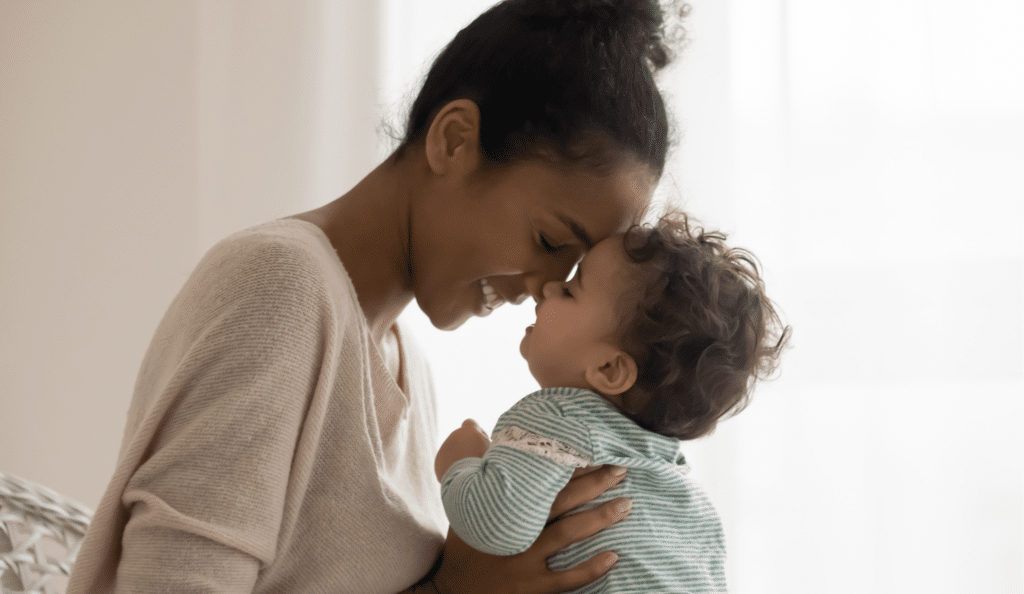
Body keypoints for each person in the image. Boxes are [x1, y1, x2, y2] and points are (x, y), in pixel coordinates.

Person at [67, 0, 689, 593]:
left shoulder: (406, 367)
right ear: (453, 141)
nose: (544, 292)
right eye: (551, 240)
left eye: (576, 271)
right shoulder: (280, 286)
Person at [434, 212, 791, 593]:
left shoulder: (557, 416)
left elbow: (496, 524)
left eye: (571, 291)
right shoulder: (688, 501)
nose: (550, 288)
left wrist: (460, 461)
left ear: (608, 369)